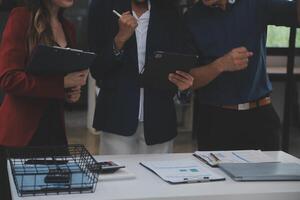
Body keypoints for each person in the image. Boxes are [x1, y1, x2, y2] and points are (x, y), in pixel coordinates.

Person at [179, 0, 300, 151]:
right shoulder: (191, 18)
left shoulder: (255, 4)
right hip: (215, 121)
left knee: (267, 175)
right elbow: (187, 80)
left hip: (261, 117)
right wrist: (220, 65)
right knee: (217, 174)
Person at [0, 0, 88, 199]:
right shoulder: (21, 17)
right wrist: (61, 84)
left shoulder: (69, 28)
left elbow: (58, 82)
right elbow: (8, 78)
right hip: (21, 136)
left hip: (55, 134)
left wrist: (70, 93)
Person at [89, 0, 194, 155]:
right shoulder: (103, 7)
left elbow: (181, 60)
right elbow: (96, 69)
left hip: (160, 118)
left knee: (157, 178)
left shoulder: (170, 11)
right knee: (118, 178)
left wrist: (183, 86)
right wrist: (119, 40)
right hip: (116, 117)